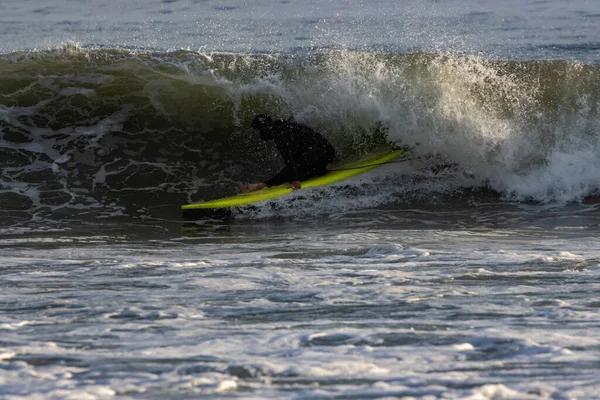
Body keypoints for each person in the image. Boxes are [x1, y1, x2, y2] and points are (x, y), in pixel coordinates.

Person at [242, 114, 336, 193]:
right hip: (326, 152)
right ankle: (324, 165)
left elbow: (288, 159)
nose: (258, 135)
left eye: (257, 131)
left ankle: (265, 184)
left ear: (264, 129)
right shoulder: (284, 124)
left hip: (319, 155)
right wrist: (330, 157)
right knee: (296, 163)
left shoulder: (279, 135)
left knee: (290, 172)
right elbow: (316, 136)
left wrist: (295, 180)